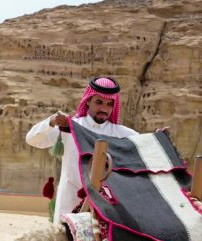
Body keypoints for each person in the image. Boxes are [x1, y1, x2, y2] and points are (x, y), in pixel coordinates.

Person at [26, 77, 138, 224]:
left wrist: (160, 137)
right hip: (70, 201)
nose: (104, 109)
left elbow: (148, 148)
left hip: (105, 207)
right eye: (99, 102)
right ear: (88, 101)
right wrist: (50, 122)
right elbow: (32, 139)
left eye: (109, 104)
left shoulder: (121, 134)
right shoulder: (70, 127)